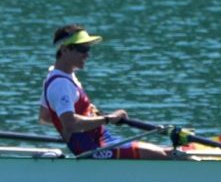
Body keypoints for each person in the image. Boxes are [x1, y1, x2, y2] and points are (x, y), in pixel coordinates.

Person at [39, 25, 169, 159]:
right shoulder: (61, 84)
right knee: (161, 154)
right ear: (65, 50)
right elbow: (70, 124)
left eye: (88, 49)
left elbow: (46, 117)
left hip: (101, 139)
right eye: (82, 49)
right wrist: (107, 119)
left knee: (169, 151)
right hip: (91, 149)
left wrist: (94, 117)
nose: (87, 54)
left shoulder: (61, 76)